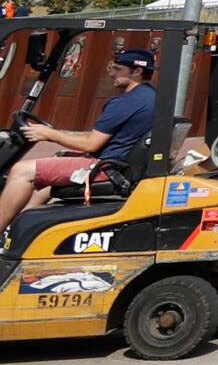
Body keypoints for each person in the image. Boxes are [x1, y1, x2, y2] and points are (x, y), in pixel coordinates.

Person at [0, 48, 156, 232]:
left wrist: (50, 135)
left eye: (117, 69)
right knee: (58, 158)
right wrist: (58, 133)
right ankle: (19, 228)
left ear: (137, 71)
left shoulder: (127, 102)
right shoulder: (150, 97)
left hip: (107, 168)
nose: (111, 73)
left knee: (21, 170)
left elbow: (91, 143)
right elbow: (101, 135)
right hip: (120, 164)